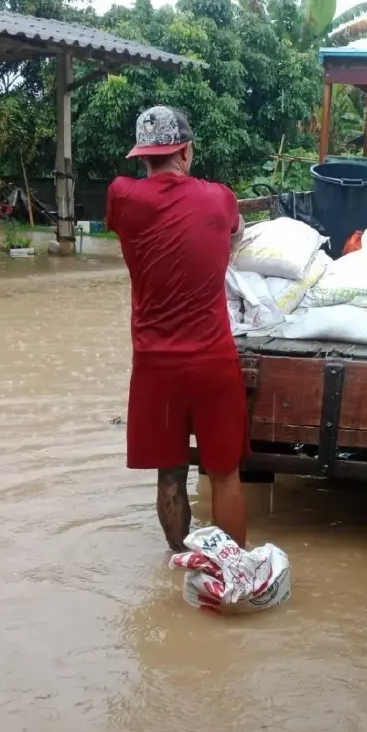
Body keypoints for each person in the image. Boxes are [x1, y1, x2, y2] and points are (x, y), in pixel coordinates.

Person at [105, 105, 249, 551]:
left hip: (155, 366)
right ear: (186, 151)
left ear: (141, 155)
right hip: (213, 361)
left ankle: (178, 563)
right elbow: (236, 234)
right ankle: (231, 570)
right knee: (224, 473)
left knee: (169, 474)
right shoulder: (220, 198)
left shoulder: (121, 196)